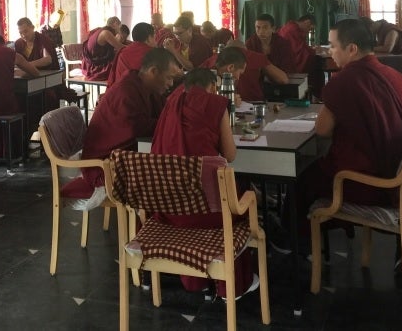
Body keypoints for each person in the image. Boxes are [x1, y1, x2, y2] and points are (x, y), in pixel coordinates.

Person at [303, 18, 402, 221]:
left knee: (303, 179)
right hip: (401, 177)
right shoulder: (395, 75)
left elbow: (323, 130)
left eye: (333, 46)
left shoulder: (341, 82)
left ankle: (294, 243)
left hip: (364, 182)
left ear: (351, 49)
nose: (330, 52)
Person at [151, 67, 257, 299]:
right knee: (240, 199)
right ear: (212, 86)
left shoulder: (171, 103)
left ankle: (195, 280)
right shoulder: (214, 103)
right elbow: (230, 155)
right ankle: (231, 287)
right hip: (212, 212)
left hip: (171, 207)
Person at [62, 48, 179, 199]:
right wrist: (172, 124)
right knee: (168, 174)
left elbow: (160, 115)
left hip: (118, 158)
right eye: (169, 78)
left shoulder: (142, 85)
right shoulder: (126, 92)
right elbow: (137, 129)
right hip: (103, 166)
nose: (171, 84)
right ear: (153, 71)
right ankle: (153, 218)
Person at [204, 40, 287, 102]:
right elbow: (283, 79)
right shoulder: (255, 57)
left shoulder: (210, 61)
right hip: (253, 103)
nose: (237, 78)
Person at [363, 17, 402, 82]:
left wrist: (367, 48)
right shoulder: (379, 30)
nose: (370, 33)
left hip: (399, 62)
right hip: (390, 60)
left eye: (369, 31)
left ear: (371, 26)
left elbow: (387, 48)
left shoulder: (391, 30)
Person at [278, 14, 326, 98]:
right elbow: (299, 50)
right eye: (310, 28)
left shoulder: (293, 27)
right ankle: (318, 96)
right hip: (286, 63)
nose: (308, 31)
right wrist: (314, 51)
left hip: (287, 59)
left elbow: (300, 46)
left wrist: (311, 49)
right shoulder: (292, 30)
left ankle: (317, 95)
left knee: (317, 64)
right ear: (307, 22)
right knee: (317, 66)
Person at [107, 22, 155, 87]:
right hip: (140, 93)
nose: (155, 40)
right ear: (149, 38)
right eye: (154, 37)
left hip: (120, 91)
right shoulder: (153, 53)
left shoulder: (123, 51)